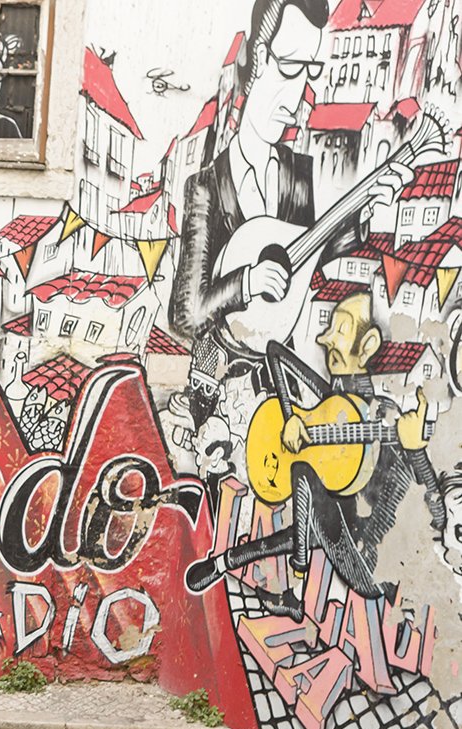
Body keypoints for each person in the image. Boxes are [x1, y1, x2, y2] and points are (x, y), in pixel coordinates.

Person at [169, 0, 406, 426]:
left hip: (283, 388)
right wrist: (247, 281)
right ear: (257, 62)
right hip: (219, 392)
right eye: (290, 68)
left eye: (310, 72)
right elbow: (186, 313)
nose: (298, 97)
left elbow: (306, 250)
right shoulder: (207, 187)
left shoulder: (298, 174)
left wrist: (364, 215)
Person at [184, 292, 444, 609]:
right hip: (333, 533)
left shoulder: (385, 417)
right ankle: (223, 564)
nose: (326, 338)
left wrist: (415, 450)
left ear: (368, 346)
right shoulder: (335, 402)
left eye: (342, 329)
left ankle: (294, 593)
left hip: (368, 564)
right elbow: (275, 352)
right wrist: (291, 418)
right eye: (329, 327)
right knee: (310, 501)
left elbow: (439, 514)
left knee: (304, 474)